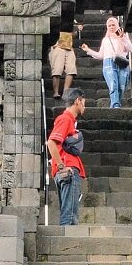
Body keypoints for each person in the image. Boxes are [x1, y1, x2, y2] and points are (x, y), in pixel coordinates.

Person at [46, 87, 87, 226]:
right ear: (78, 101)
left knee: (69, 213)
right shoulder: (65, 119)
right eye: (84, 103)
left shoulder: (67, 120)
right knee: (69, 216)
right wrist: (62, 166)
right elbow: (51, 142)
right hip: (68, 169)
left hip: (65, 170)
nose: (84, 107)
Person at [80, 16, 132, 108]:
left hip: (122, 63)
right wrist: (88, 50)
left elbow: (130, 48)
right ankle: (115, 104)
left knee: (121, 86)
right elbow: (101, 55)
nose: (112, 27)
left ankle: (117, 103)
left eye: (113, 25)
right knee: (113, 85)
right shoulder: (105, 40)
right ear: (107, 27)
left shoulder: (123, 36)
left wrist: (122, 38)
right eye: (109, 25)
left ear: (117, 25)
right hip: (109, 63)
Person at [47, 23, 82, 99]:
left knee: (71, 69)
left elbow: (71, 35)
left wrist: (77, 29)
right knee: (57, 69)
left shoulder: (72, 22)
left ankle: (65, 92)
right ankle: (56, 92)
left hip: (69, 47)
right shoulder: (58, 21)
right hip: (57, 46)